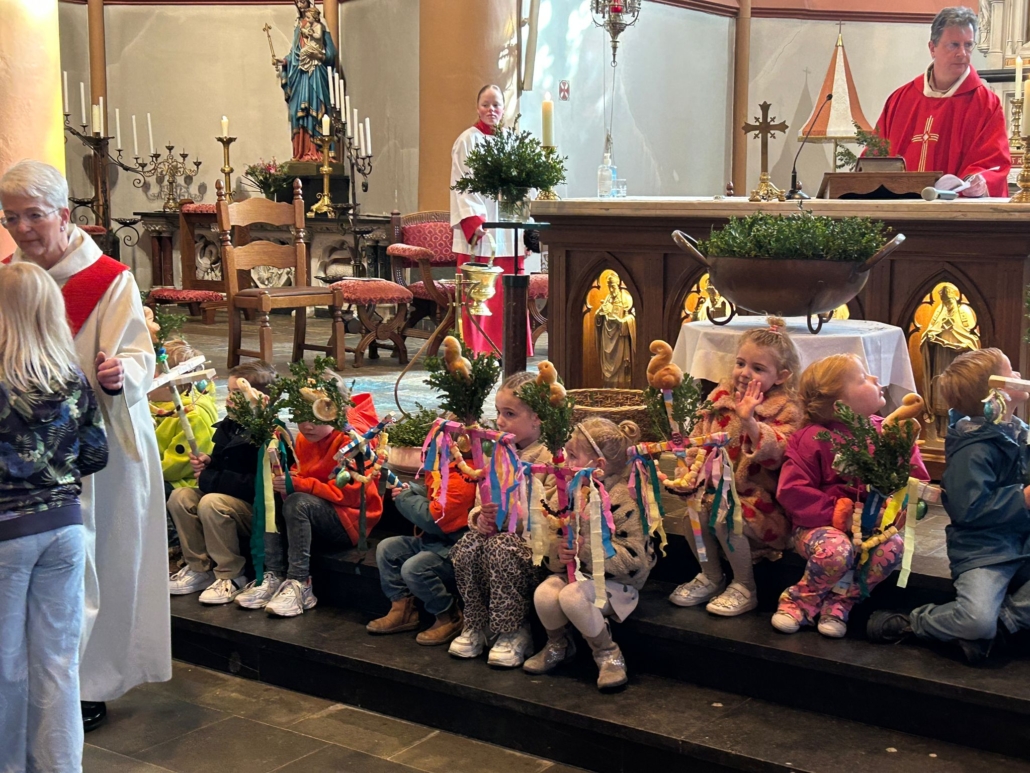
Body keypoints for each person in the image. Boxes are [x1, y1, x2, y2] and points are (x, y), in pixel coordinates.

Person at [1, 160, 169, 732]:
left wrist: (122, 372)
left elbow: (139, 355)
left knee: (99, 564)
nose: (21, 229)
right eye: (10, 217)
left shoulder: (108, 279)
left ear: (63, 214)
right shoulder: (11, 278)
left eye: (32, 215)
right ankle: (31, 686)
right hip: (26, 459)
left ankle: (88, 684)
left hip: (98, 448)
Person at [0, 263, 108, 773]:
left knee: (5, 664)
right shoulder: (70, 377)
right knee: (59, 663)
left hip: (6, 533)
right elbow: (96, 455)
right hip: (63, 529)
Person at [869, 348, 1030, 663]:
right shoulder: (973, 449)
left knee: (987, 623)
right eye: (1010, 371)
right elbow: (968, 509)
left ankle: (1002, 625)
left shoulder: (1019, 432)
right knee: (975, 619)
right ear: (995, 394)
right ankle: (916, 622)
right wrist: (1021, 498)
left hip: (1023, 541)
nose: (1018, 376)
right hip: (986, 550)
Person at [772, 354, 929, 638]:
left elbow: (913, 480)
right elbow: (792, 490)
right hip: (817, 527)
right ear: (840, 405)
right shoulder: (812, 437)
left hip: (872, 527)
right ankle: (800, 602)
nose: (875, 379)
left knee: (892, 548)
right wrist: (837, 513)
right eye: (863, 378)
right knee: (836, 550)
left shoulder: (887, 431)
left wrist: (899, 504)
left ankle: (840, 603)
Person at [668, 317, 802, 616]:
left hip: (761, 502)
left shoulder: (786, 409)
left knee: (724, 518)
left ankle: (745, 586)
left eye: (758, 368)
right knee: (693, 516)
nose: (744, 373)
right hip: (716, 491)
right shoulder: (719, 398)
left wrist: (750, 421)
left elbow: (778, 455)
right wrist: (689, 473)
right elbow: (699, 441)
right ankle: (711, 576)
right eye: (741, 363)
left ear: (781, 376)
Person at [525, 418, 655, 690]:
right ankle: (559, 645)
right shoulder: (567, 492)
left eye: (572, 456)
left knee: (572, 597)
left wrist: (584, 550)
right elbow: (550, 537)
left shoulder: (624, 498)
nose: (565, 461)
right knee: (545, 594)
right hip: (577, 576)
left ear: (598, 465)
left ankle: (607, 654)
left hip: (616, 584)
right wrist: (558, 553)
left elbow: (635, 560)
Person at [236, 377, 382, 617]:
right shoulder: (306, 439)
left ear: (336, 411)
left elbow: (350, 496)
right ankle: (273, 575)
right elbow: (303, 471)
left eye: (316, 418)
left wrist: (298, 484)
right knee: (271, 494)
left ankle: (300, 582)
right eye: (300, 416)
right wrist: (287, 479)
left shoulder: (351, 441)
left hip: (349, 520)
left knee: (297, 502)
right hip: (320, 510)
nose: (307, 426)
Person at [448, 371, 556, 667]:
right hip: (495, 546)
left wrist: (515, 521)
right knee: (468, 545)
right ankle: (476, 625)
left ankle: (514, 630)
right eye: (497, 412)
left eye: (510, 414)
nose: (499, 421)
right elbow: (480, 502)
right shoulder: (496, 453)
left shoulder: (550, 459)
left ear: (537, 418)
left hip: (535, 556)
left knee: (501, 547)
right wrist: (480, 519)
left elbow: (553, 518)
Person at [167, 360, 278, 605]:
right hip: (224, 496)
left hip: (253, 509)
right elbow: (224, 463)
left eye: (236, 393)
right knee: (181, 497)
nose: (228, 398)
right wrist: (210, 462)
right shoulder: (231, 425)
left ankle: (231, 574)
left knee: (211, 503)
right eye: (228, 391)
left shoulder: (267, 431)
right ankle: (200, 568)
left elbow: (255, 484)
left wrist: (210, 477)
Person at [873, 6, 1010, 197]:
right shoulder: (900, 100)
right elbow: (875, 157)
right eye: (954, 45)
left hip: (955, 211)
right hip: (900, 208)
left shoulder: (985, 104)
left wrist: (977, 182)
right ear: (932, 48)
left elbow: (992, 162)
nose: (962, 53)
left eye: (968, 45)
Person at [449, 84, 533, 357]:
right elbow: (461, 184)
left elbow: (521, 187)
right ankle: (477, 351)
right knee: (479, 294)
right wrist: (475, 222)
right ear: (477, 107)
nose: (491, 110)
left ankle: (510, 348)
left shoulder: (511, 141)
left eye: (496, 104)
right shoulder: (467, 140)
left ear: (503, 108)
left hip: (508, 233)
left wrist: (524, 231)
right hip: (482, 235)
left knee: (509, 295)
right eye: (485, 104)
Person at [366, 460, 476, 645]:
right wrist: (414, 490)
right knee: (387, 549)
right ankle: (402, 610)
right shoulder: (442, 467)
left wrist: (405, 498)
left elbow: (434, 519)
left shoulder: (466, 476)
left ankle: (448, 616)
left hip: (453, 548)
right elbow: (434, 494)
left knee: (414, 568)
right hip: (433, 541)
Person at [276, 0, 337, 162]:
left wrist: (318, 55)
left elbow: (331, 54)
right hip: (299, 74)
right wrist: (286, 61)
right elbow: (295, 52)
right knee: (298, 112)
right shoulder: (298, 25)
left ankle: (320, 152)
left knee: (316, 109)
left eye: (302, 0)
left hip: (315, 72)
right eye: (297, 1)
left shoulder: (320, 24)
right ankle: (301, 152)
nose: (300, 4)